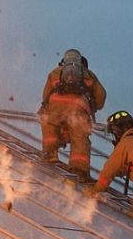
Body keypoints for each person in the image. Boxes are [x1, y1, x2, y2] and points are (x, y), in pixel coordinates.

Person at [39, 49, 106, 183]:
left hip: (55, 105)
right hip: (78, 107)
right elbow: (101, 97)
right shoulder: (89, 75)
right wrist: (93, 107)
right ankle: (78, 169)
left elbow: (46, 94)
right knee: (79, 138)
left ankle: (50, 155)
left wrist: (46, 107)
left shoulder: (55, 72)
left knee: (50, 127)